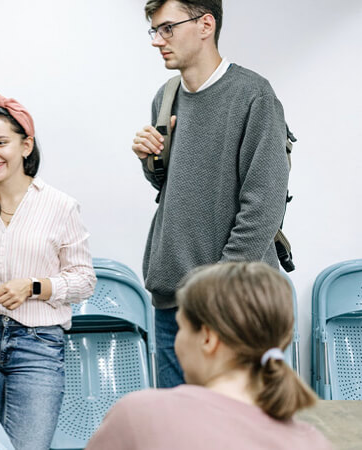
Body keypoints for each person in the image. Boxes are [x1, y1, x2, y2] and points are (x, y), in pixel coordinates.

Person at [130, 0, 291, 388]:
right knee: (178, 434)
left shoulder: (254, 95)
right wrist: (149, 159)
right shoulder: (165, 97)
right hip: (173, 304)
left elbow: (263, 207)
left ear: (205, 24)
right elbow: (175, 186)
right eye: (154, 30)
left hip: (235, 304)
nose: (157, 41)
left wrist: (215, 291)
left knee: (242, 433)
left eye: (167, 28)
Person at [0, 92, 96, 450]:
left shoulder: (60, 206)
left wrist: (33, 286)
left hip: (38, 343)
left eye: (1, 143)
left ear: (26, 145)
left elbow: (84, 280)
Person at [87, 262, 331, 449]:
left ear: (207, 338)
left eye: (181, 328)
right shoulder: (312, 441)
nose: (177, 341)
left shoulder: (139, 414)